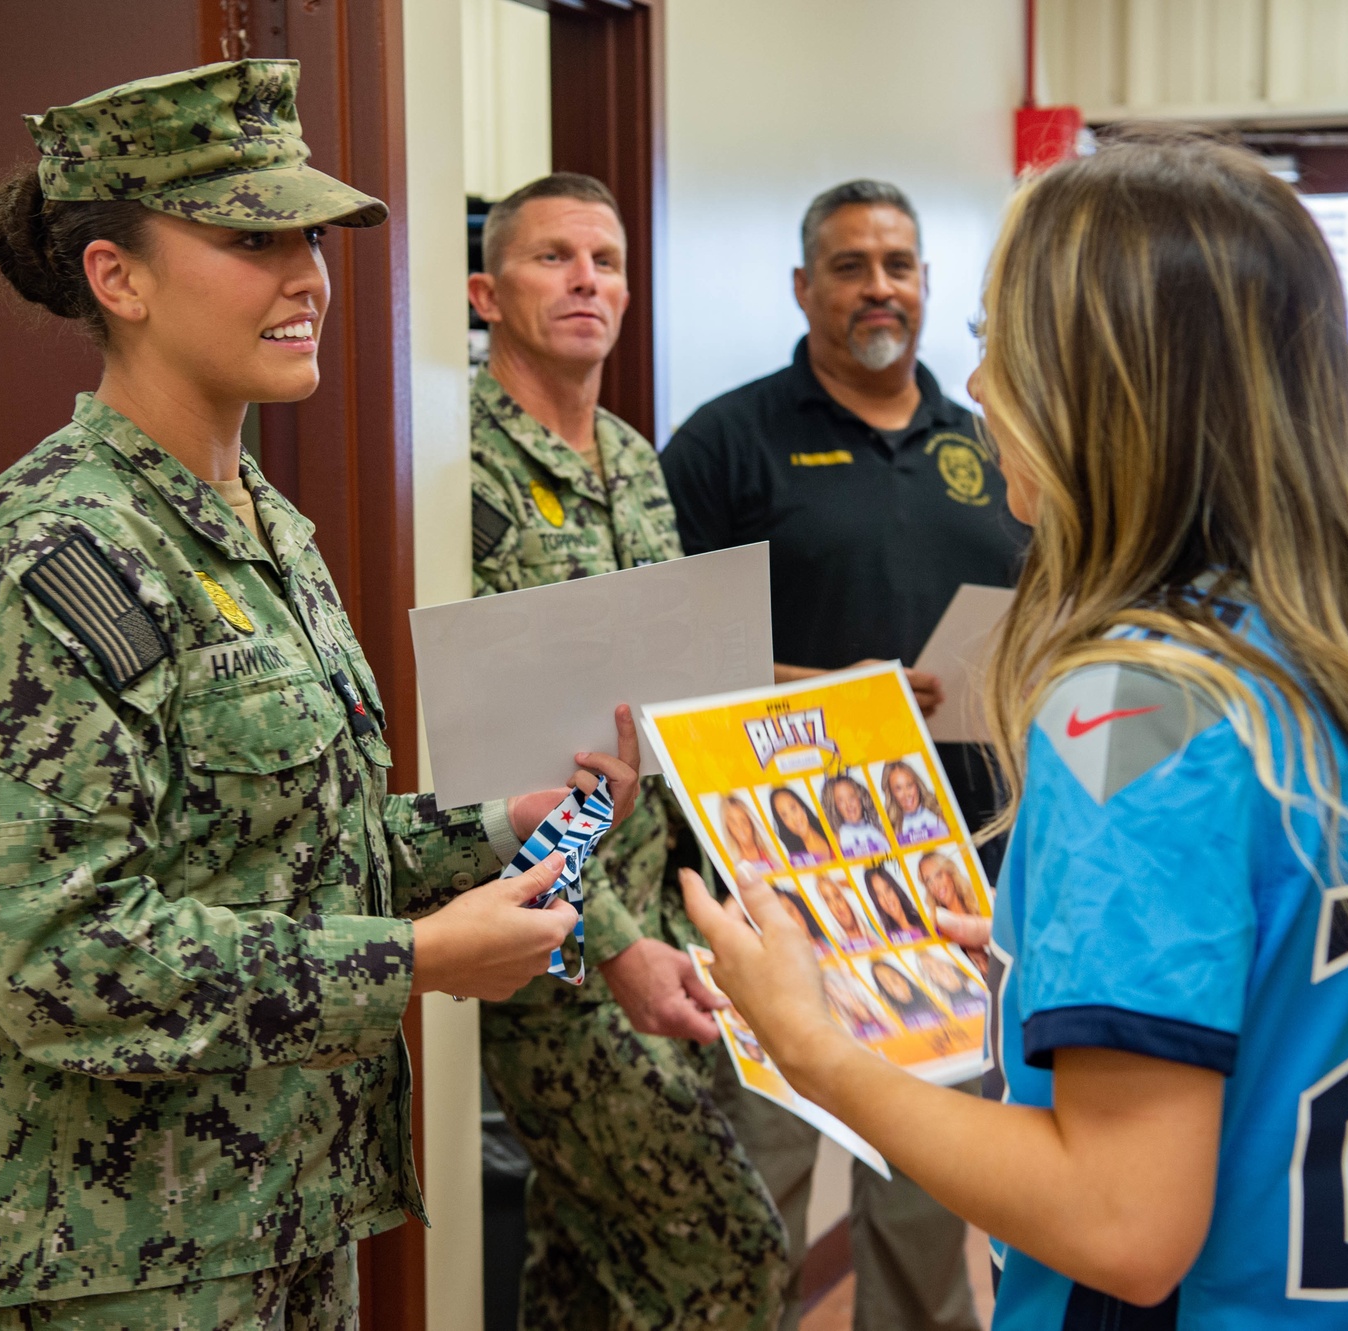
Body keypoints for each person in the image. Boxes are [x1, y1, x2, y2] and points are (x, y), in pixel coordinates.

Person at [683, 130, 1348, 1329]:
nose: (975, 388)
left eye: (996, 346)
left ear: (1099, 385)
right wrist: (1046, 944)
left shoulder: (1120, 715)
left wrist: (814, 1047)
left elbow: (1122, 1224)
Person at [0, 61, 644, 1328]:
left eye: (308, 234)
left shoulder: (266, 532)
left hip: (281, 1210)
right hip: (106, 1254)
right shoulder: (61, 553)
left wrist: (493, 830)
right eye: (251, 236)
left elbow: (285, 846)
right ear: (115, 277)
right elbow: (57, 956)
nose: (307, 274)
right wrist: (413, 957)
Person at [665, 184, 1024, 1331]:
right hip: (778, 879)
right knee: (754, 1195)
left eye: (901, 264)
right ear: (803, 287)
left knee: (932, 1191)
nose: (880, 286)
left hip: (942, 881)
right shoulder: (727, 443)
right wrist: (826, 694)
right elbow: (667, 650)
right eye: (851, 264)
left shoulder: (983, 446)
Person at [465, 171, 786, 1329]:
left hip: (651, 899)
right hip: (551, 927)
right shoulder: (458, 466)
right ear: (484, 291)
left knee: (582, 1262)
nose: (585, 281)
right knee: (730, 1256)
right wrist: (612, 945)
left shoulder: (634, 461)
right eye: (552, 257)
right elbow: (473, 740)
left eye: (603, 261)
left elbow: (662, 695)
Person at [822, 773, 892, 858]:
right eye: (841, 801)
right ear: (835, 807)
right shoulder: (837, 840)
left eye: (851, 797)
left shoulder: (882, 834)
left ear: (860, 797)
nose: (849, 805)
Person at [881, 759, 948, 846]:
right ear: (891, 793)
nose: (907, 794)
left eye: (909, 785)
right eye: (898, 789)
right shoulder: (889, 832)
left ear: (917, 785)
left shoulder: (940, 813)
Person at [869, 960, 947, 1032]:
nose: (892, 983)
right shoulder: (890, 1017)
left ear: (902, 976)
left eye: (893, 976)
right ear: (883, 989)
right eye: (884, 982)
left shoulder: (933, 995)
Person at [767, 786, 833, 867]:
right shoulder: (795, 858)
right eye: (784, 816)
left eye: (793, 808)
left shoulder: (829, 827)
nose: (794, 819)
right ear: (782, 823)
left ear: (801, 806)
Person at [864, 866, 930, 945]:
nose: (887, 899)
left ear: (895, 889)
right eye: (879, 895)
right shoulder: (888, 939)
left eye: (888, 889)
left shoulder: (925, 920)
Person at [720, 792, 782, 873]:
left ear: (750, 821)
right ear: (728, 828)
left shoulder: (772, 853)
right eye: (733, 822)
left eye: (743, 820)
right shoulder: (727, 863)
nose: (740, 828)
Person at [915, 949, 987, 1020]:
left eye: (939, 964)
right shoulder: (939, 1006)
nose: (938, 972)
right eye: (929, 969)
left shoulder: (977, 984)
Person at [819, 877, 884, 954]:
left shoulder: (874, 925)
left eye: (837, 896)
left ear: (846, 897)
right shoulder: (830, 944)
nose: (836, 906)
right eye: (828, 901)